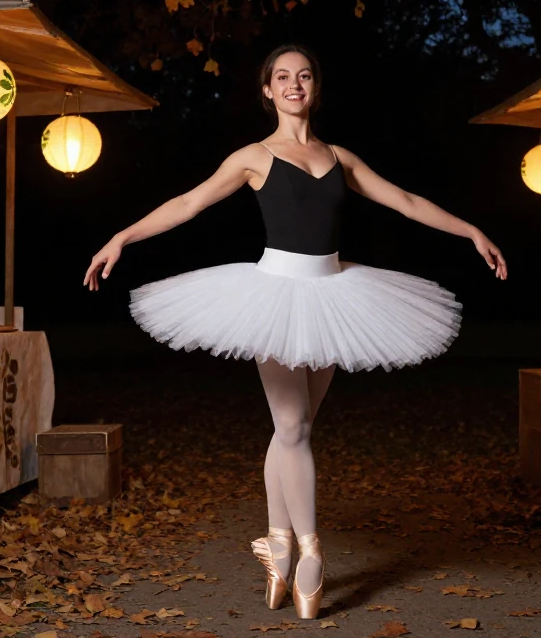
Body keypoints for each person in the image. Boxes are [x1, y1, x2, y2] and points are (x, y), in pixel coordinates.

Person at [82, 44, 506, 620]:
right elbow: (188, 203)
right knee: (293, 424)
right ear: (267, 90)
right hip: (275, 295)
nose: (293, 85)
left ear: (314, 87)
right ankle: (310, 554)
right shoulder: (253, 156)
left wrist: (471, 230)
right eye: (282, 77)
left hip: (333, 295)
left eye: (304, 75)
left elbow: (404, 201)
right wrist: (121, 238)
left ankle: (277, 544)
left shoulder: (339, 156)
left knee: (292, 431)